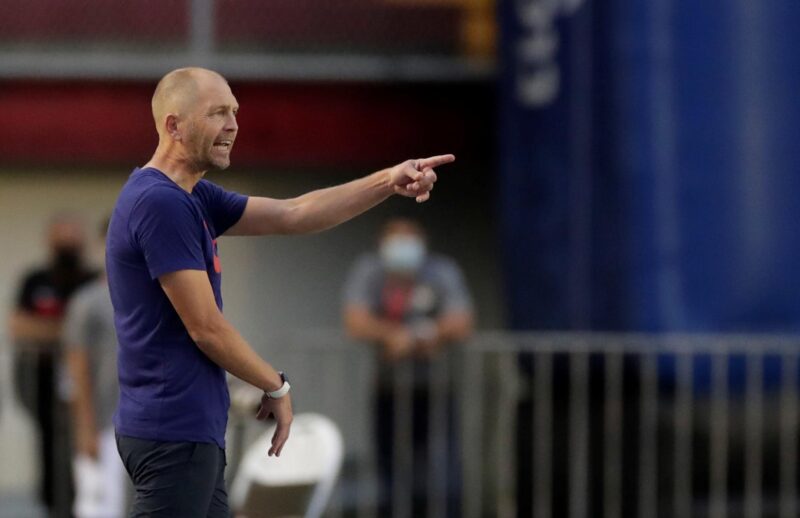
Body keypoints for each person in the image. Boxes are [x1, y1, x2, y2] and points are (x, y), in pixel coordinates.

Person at [106, 66, 454, 517]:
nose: (233, 125)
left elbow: (294, 214)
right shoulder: (161, 202)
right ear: (173, 125)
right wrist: (275, 384)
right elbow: (206, 328)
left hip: (187, 429)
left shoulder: (192, 196)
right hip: (173, 428)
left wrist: (387, 181)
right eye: (217, 113)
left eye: (234, 111)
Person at [342, 217, 474, 517]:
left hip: (436, 390)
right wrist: (390, 335)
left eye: (409, 239)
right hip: (388, 388)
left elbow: (462, 320)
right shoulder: (371, 271)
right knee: (390, 473)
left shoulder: (441, 271)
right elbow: (355, 321)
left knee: (442, 473)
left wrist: (420, 336)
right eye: (395, 240)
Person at [8, 214, 98, 516]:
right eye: (62, 238)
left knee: (84, 446)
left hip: (90, 385)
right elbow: (19, 327)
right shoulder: (36, 280)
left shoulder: (93, 281)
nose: (67, 245)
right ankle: (53, 507)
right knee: (49, 447)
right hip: (42, 382)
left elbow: (104, 331)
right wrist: (71, 331)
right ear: (50, 241)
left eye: (73, 238)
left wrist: (53, 330)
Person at [64, 217, 128, 518]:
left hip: (145, 422)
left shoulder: (159, 294)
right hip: (104, 423)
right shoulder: (88, 301)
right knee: (99, 507)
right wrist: (85, 427)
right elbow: (76, 366)